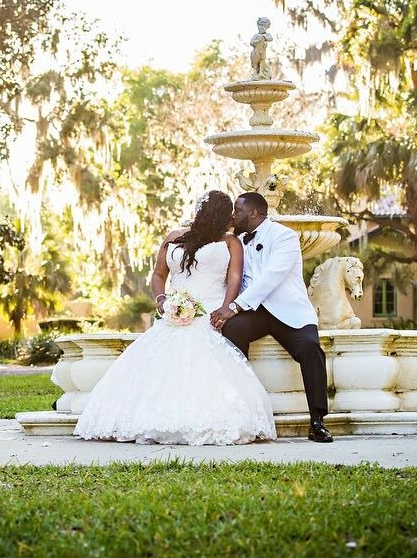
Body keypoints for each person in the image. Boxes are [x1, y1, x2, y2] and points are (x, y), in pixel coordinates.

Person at [74, 191, 276, 446]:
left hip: (210, 313)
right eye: (228, 213)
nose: (233, 218)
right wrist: (162, 300)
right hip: (173, 313)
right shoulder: (173, 238)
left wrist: (226, 309)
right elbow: (158, 275)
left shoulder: (230, 242)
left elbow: (234, 278)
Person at [210, 192, 333, 443]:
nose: (234, 215)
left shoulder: (284, 236)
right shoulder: (235, 241)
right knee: (232, 330)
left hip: (288, 311)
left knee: (310, 348)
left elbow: (271, 278)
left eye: (237, 210)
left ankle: (317, 421)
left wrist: (233, 307)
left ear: (253, 213)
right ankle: (243, 410)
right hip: (255, 312)